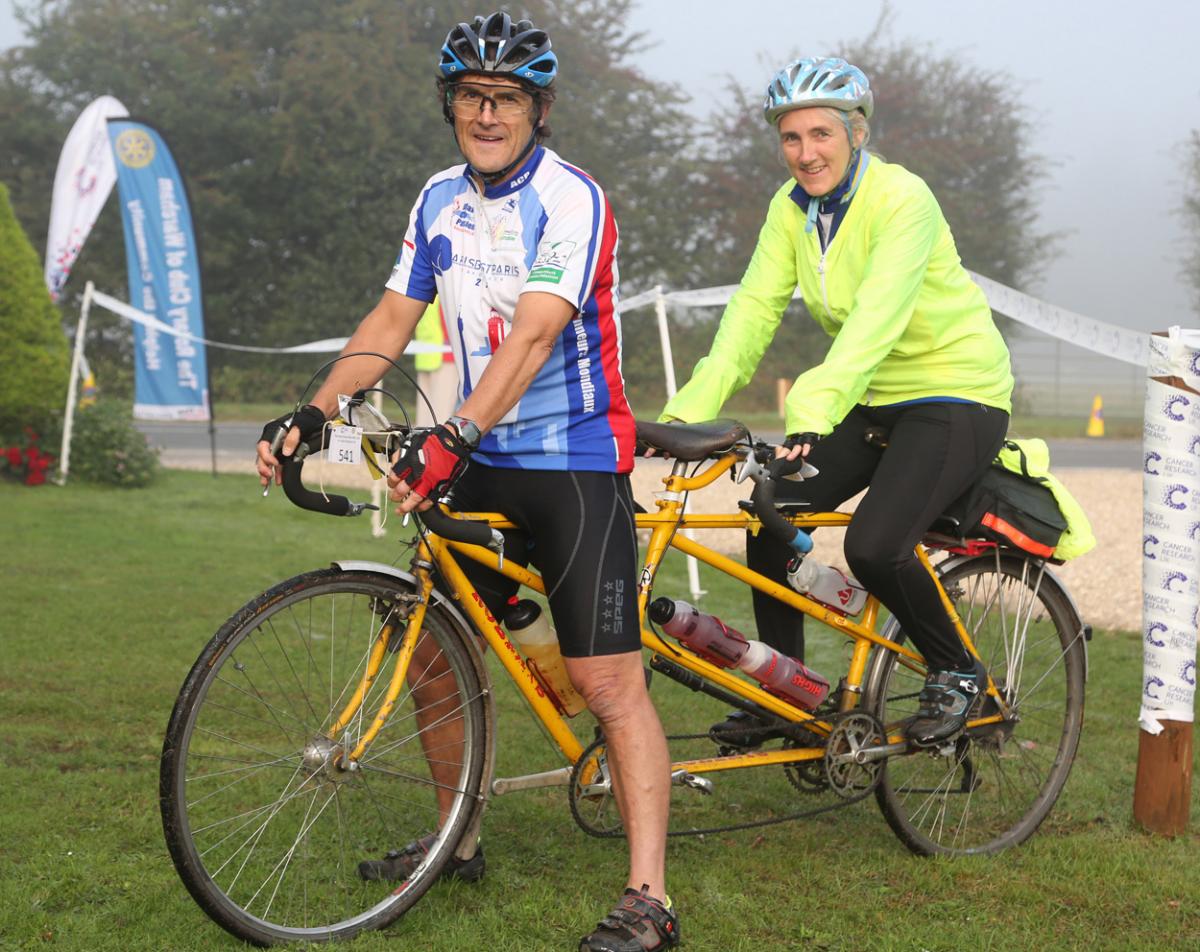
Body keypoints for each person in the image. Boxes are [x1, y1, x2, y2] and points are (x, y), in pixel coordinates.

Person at [256, 13, 678, 952]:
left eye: (508, 99)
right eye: (472, 97)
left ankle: (650, 899)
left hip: (571, 459)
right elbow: (393, 315)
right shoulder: (438, 199)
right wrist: (314, 409)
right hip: (479, 457)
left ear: (539, 109)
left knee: (606, 680)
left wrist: (452, 432)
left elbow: (533, 334)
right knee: (435, 647)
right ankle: (457, 837)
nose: (488, 114)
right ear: (451, 105)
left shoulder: (574, 200)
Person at [661, 57, 1013, 748]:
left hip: (957, 393)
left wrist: (813, 411)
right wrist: (683, 416)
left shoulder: (902, 199)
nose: (805, 153)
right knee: (771, 513)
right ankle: (782, 690)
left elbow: (876, 320)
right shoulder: (790, 209)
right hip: (876, 395)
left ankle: (961, 673)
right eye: (791, 139)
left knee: (876, 545)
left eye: (820, 134)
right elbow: (751, 315)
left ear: (856, 132)